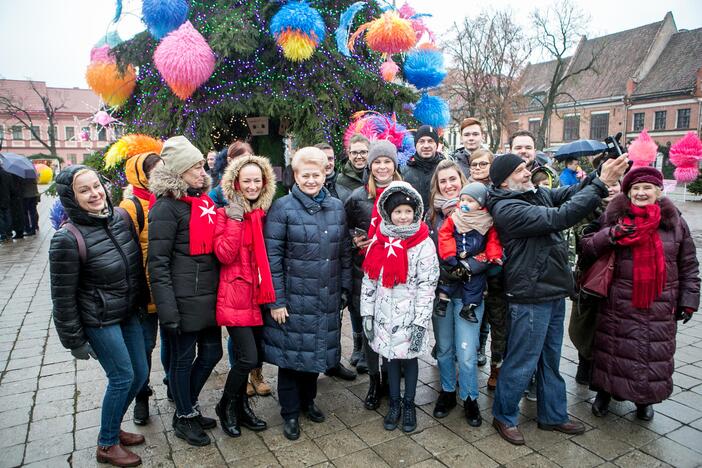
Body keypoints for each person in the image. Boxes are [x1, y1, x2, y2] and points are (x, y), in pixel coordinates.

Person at [486, 151, 629, 445]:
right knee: (522, 360)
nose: (528, 172)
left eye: (526, 167)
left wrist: (599, 173)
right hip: (529, 294)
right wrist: (601, 185)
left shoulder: (535, 193)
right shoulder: (507, 207)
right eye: (519, 171)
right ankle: (504, 415)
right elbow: (559, 217)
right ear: (502, 183)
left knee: (550, 360)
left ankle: (553, 415)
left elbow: (571, 192)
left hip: (552, 290)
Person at [581, 167, 700, 421]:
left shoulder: (675, 223)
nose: (641, 192)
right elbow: (587, 248)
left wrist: (689, 300)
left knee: (652, 355)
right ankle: (604, 393)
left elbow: (689, 264)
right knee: (611, 351)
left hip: (659, 304)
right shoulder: (614, 217)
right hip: (617, 302)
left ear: (659, 191)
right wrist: (611, 235)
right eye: (635, 188)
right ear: (628, 192)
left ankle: (644, 400)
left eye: (647, 188)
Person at [50, 165, 148, 467]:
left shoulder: (119, 217)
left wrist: (142, 301)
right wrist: (74, 341)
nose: (95, 194)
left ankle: (113, 426)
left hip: (128, 311)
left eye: (97, 186)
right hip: (99, 319)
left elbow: (134, 264)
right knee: (122, 377)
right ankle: (106, 445)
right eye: (85, 190)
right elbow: (62, 297)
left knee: (141, 373)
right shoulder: (67, 239)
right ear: (71, 197)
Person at [263, 147, 352, 441]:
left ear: (325, 174)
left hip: (325, 297)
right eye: (305, 175)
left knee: (315, 355)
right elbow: (271, 258)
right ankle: (289, 412)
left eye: (317, 174)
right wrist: (277, 300)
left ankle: (308, 401)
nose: (311, 180)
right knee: (292, 359)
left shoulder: (336, 207)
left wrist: (345, 289)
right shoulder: (283, 208)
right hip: (294, 300)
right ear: (295, 176)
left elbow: (344, 253)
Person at [148, 136, 223, 447]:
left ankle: (185, 409)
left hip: (207, 296)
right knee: (181, 360)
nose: (201, 171)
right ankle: (186, 415)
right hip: (182, 300)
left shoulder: (203, 202)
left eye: (201, 165)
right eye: (194, 167)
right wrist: (167, 310)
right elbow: (158, 263)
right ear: (178, 172)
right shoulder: (166, 208)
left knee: (212, 353)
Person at [361, 181, 439, 432]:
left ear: (415, 212)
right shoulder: (379, 242)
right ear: (388, 213)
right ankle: (393, 403)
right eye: (398, 212)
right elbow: (369, 280)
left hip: (410, 316)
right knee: (391, 361)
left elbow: (428, 285)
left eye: (408, 211)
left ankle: (408, 404)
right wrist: (367, 313)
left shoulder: (423, 243)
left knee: (410, 360)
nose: (403, 217)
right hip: (384, 315)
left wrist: (420, 322)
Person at [213, 154, 276, 437]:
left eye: (257, 181)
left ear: (265, 184)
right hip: (235, 295)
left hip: (259, 296)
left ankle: (241, 407)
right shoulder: (225, 214)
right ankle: (226, 405)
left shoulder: (264, 214)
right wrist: (236, 219)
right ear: (235, 183)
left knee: (253, 355)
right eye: (246, 181)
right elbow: (224, 254)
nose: (252, 186)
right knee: (247, 357)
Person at [345, 139, 403, 408]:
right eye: (377, 162)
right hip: (365, 274)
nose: (382, 166)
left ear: (394, 164)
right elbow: (344, 231)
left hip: (395, 273)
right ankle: (374, 381)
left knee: (392, 328)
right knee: (370, 331)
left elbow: (416, 228)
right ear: (370, 165)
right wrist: (353, 240)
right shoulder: (357, 197)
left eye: (386, 161)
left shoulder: (404, 192)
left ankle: (391, 381)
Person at [118, 151, 164, 426]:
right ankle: (142, 395)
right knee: (145, 346)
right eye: (155, 172)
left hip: (168, 288)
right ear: (141, 175)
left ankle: (174, 384)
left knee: (172, 342)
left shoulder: (168, 199)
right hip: (144, 291)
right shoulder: (130, 206)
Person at [568, 180, 621, 386]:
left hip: (620, 280)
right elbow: (581, 240)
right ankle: (585, 361)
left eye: (616, 184)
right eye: (607, 183)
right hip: (590, 277)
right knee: (585, 325)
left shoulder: (631, 210)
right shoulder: (586, 208)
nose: (611, 188)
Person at [466, 149, 508, 389]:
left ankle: (496, 367)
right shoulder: (466, 194)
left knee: (499, 324)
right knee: (473, 322)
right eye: (475, 164)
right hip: (473, 269)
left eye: (484, 164)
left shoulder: (498, 196)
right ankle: (470, 361)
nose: (479, 168)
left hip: (497, 270)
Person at [437, 183, 502, 321]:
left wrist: (494, 255)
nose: (464, 203)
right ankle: (442, 302)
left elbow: (493, 241)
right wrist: (449, 254)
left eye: (470, 201)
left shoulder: (487, 221)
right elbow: (445, 235)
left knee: (475, 283)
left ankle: (468, 307)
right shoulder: (454, 217)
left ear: (480, 204)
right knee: (448, 278)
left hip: (474, 259)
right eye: (463, 200)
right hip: (454, 256)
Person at [402, 125, 444, 209]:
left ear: (436, 144)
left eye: (430, 141)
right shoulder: (404, 171)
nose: (426, 145)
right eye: (421, 141)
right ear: (415, 145)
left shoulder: (444, 169)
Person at [210, 141, 254, 207]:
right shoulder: (216, 194)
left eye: (249, 161)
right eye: (242, 160)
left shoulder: (258, 185)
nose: (246, 165)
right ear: (230, 161)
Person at [0, 166, 13, 242]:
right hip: (7, 198)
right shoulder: (8, 174)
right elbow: (12, 188)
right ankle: (9, 234)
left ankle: (3, 235)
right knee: (8, 216)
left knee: (0, 218)